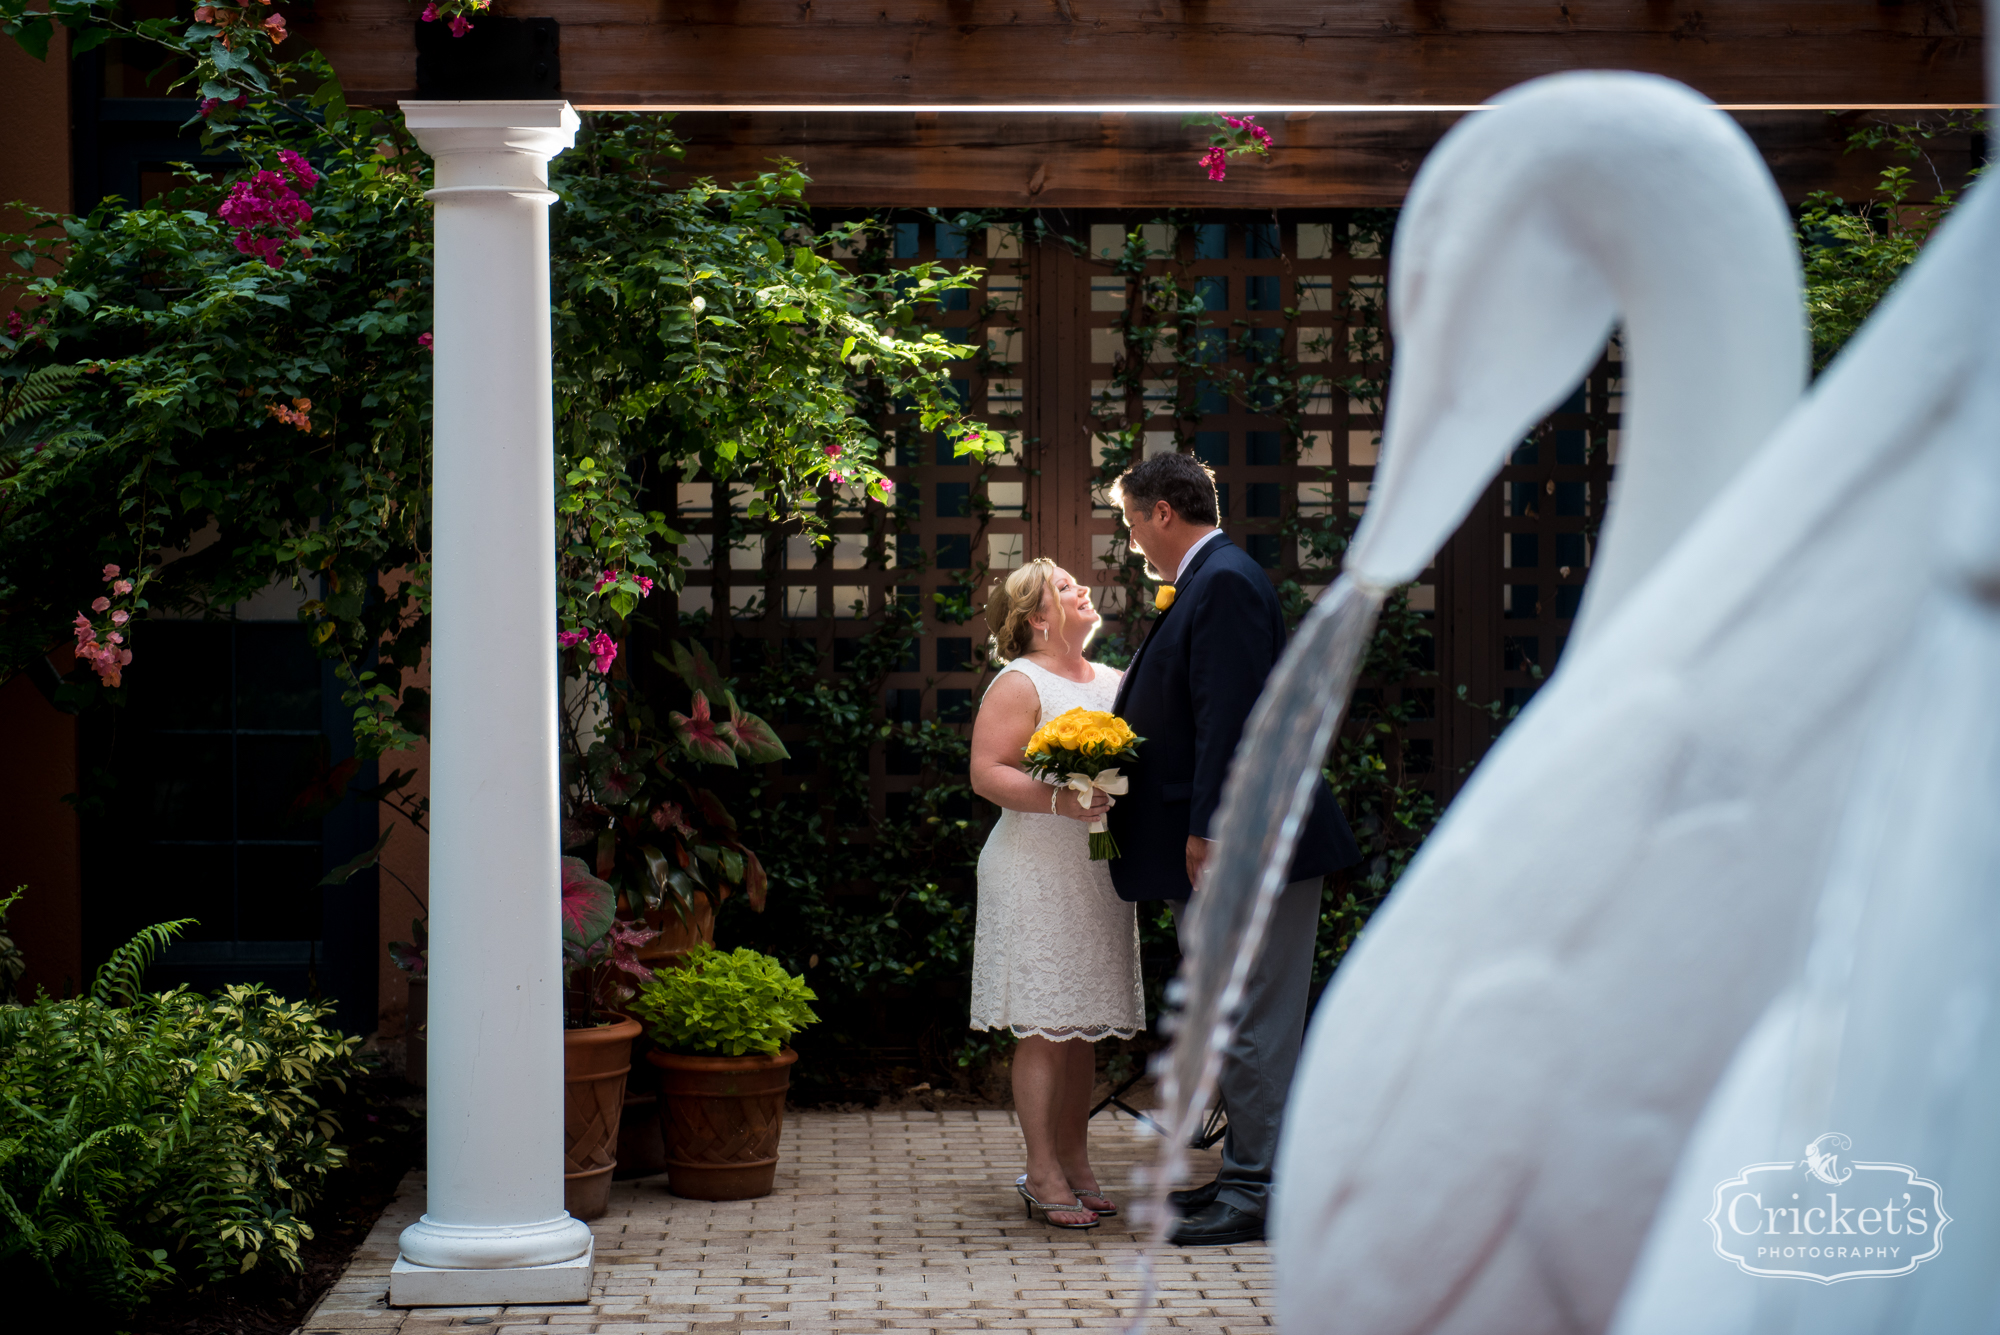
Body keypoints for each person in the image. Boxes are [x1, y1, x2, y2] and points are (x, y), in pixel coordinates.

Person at [1106, 451, 1361, 1247]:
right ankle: (1248, 1174)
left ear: (1161, 513)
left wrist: (1213, 827)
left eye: (1130, 522)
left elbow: (1237, 718)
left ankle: (1260, 1189)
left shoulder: (1221, 581)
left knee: (1253, 1016)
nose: (1132, 540)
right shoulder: (1215, 577)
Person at [968, 558, 1145, 1230]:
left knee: (1083, 1024)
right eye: (1065, 587)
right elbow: (987, 773)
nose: (1083, 590)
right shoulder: (1019, 683)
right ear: (1039, 617)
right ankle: (1041, 1171)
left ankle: (1077, 1161)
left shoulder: (1115, 682)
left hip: (1097, 866)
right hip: (1033, 864)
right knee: (1045, 1022)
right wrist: (1059, 798)